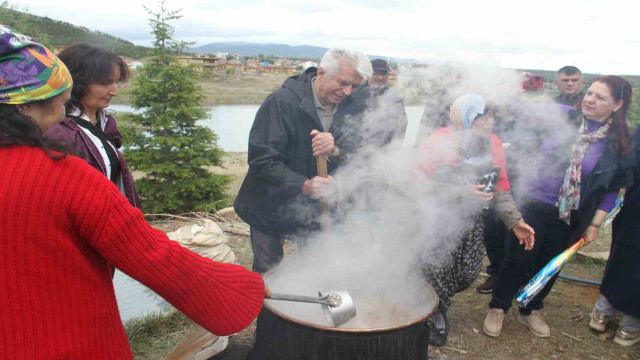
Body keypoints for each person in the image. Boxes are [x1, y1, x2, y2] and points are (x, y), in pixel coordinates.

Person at [0, 27, 267, 359]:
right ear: (26, 105)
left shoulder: (92, 130)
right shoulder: (65, 175)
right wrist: (240, 289)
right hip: (67, 338)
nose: (64, 99)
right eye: (59, 92)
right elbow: (149, 254)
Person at [484, 76, 634, 339]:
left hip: (573, 214)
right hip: (533, 201)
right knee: (516, 259)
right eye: (590, 93)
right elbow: (522, 111)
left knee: (550, 264)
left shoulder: (618, 142)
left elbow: (612, 188)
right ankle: (498, 307)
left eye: (600, 97)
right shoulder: (563, 117)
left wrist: (594, 224)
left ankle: (530, 308)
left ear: (618, 104)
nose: (590, 99)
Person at [234, 48, 372, 273]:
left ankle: (311, 307)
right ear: (321, 72)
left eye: (355, 86)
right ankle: (266, 308)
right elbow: (262, 160)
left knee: (316, 269)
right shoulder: (282, 102)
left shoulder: (353, 107)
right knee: (269, 271)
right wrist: (304, 185)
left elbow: (360, 151)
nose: (348, 91)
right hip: (270, 203)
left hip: (318, 209)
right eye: (343, 82)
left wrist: (336, 150)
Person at [416, 94, 535, 346]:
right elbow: (415, 182)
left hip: (471, 219)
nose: (490, 122)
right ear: (465, 115)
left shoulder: (493, 144)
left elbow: (500, 188)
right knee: (436, 269)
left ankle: (430, 297)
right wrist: (458, 191)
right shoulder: (439, 141)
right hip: (436, 216)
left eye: (492, 116)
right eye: (483, 116)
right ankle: (435, 310)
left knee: (467, 273)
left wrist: (515, 221)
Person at [45, 43, 139, 208]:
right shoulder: (58, 132)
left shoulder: (105, 123)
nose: (115, 91)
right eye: (105, 83)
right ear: (77, 81)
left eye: (116, 82)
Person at [589, 124, 640, 347]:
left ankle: (604, 310)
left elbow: (632, 161)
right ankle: (629, 325)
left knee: (624, 250)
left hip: (636, 202)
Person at [345, 58, 408, 148]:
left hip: (384, 151)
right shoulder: (354, 93)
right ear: (368, 74)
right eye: (376, 73)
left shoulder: (395, 96)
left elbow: (402, 123)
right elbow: (345, 121)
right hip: (356, 149)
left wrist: (395, 146)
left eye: (384, 74)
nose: (380, 77)